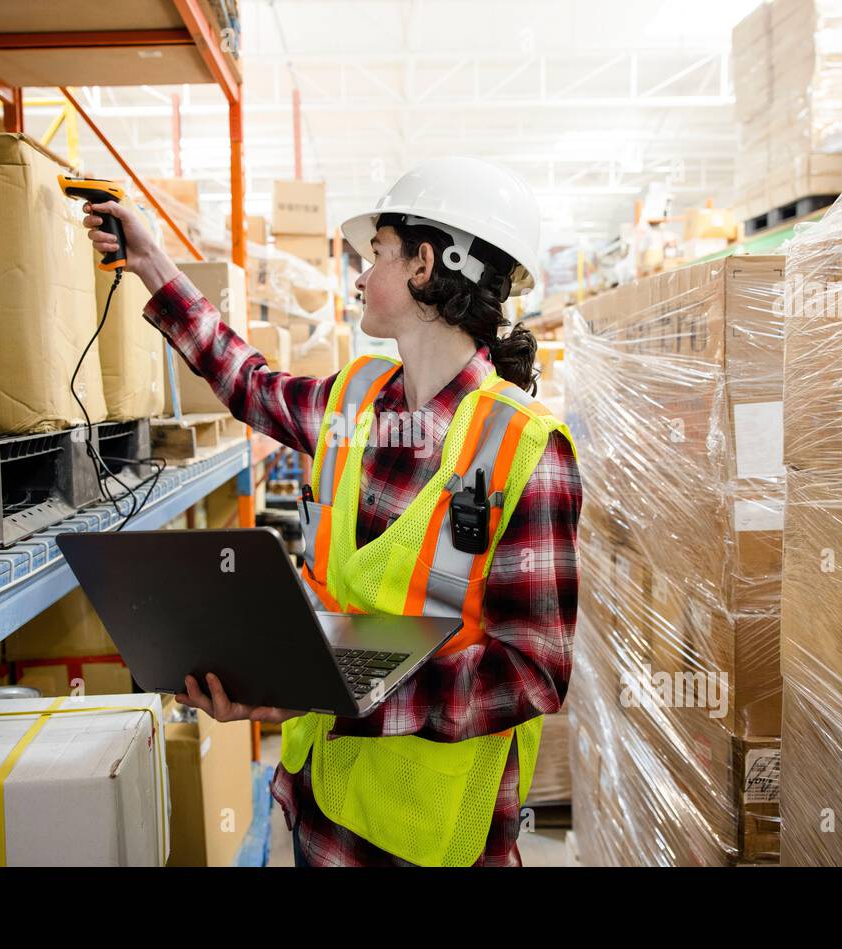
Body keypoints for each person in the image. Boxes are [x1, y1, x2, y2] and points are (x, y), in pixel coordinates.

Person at [80, 156, 581, 867]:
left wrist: (336, 688)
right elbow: (247, 384)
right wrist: (154, 264)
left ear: (423, 265)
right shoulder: (355, 400)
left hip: (428, 837)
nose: (358, 273)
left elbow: (533, 671)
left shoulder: (526, 448)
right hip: (319, 818)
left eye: (375, 253)